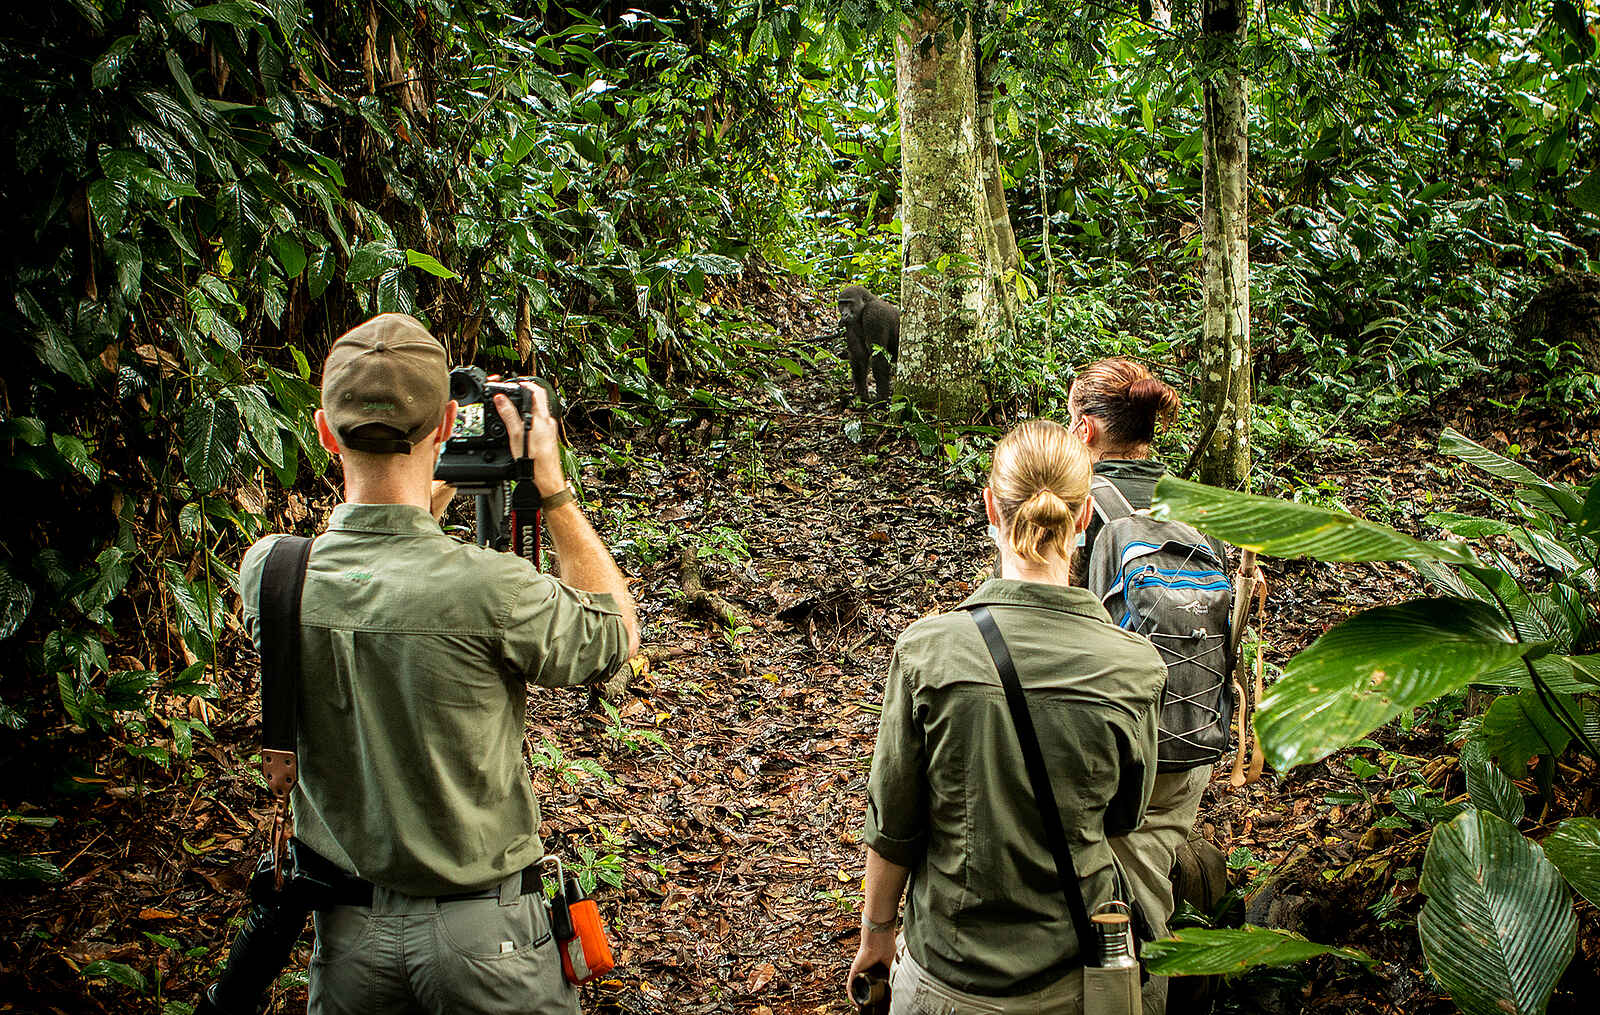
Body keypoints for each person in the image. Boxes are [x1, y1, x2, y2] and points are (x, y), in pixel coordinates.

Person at [237, 313, 640, 1015]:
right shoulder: (490, 589)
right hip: (487, 943)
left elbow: (384, 568)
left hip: (348, 942)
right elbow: (615, 631)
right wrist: (552, 488)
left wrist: (431, 480)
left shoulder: (272, 574)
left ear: (325, 430)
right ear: (449, 421)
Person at [848, 419, 1168, 1014]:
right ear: (1084, 518)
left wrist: (876, 935)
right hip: (1076, 974)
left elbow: (894, 823)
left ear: (991, 508)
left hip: (949, 973)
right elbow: (1124, 815)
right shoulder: (1135, 667)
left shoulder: (928, 651)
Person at [1067, 357, 1216, 951]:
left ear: (1086, 429)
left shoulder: (1082, 507)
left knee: (1103, 911)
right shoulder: (1198, 508)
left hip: (1110, 740)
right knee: (1147, 886)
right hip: (1191, 729)